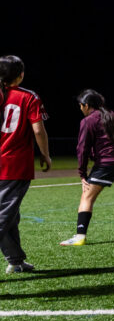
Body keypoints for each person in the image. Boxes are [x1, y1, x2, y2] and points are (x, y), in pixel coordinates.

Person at [60, 89, 114, 246]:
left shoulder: (88, 120)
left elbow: (82, 148)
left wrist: (82, 173)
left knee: (87, 197)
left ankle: (80, 237)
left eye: (80, 105)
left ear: (86, 105)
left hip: (107, 163)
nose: (80, 109)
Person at [0, 55, 51, 273]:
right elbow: (38, 129)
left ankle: (15, 260)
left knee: (11, 214)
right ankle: (15, 260)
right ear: (20, 75)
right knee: (4, 214)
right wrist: (45, 155)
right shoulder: (28, 97)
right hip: (14, 165)